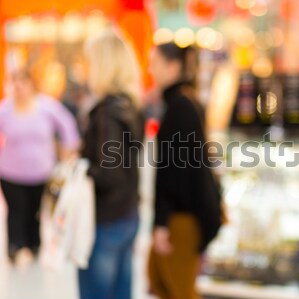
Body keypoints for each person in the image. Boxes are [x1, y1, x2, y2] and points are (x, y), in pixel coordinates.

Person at [147, 42, 222, 299]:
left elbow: (175, 172)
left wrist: (161, 222)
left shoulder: (180, 106)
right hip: (183, 217)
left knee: (178, 290)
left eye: (154, 63)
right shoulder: (185, 102)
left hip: (181, 220)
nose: (150, 70)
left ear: (173, 66)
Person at [79, 30, 144, 299]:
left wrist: (81, 168)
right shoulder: (130, 105)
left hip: (105, 218)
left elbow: (109, 172)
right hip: (127, 213)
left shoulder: (108, 112)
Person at [0, 68, 80, 265]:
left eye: (22, 82)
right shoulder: (5, 110)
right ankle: (16, 247)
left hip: (41, 172)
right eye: (14, 82)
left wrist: (69, 150)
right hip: (11, 172)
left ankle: (34, 245)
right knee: (16, 210)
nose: (18, 87)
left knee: (35, 211)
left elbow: (68, 126)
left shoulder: (46, 107)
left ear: (30, 84)